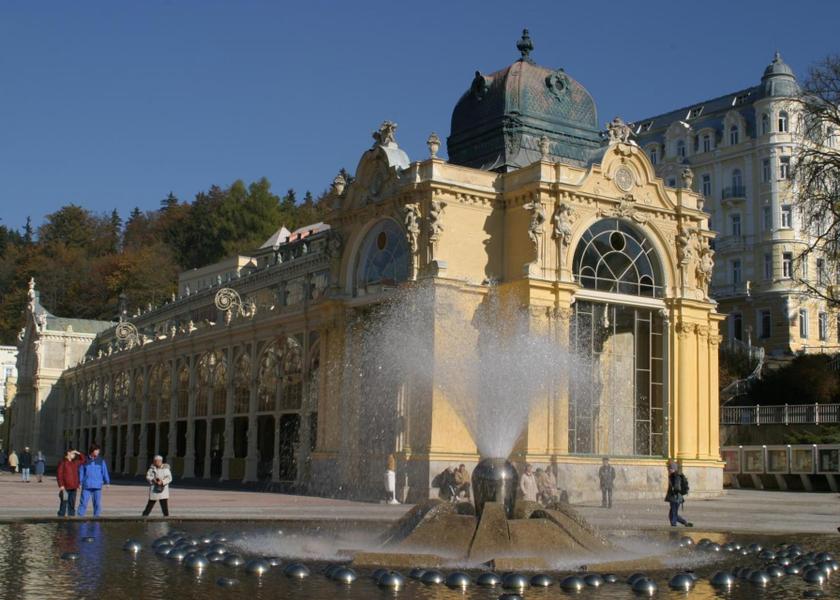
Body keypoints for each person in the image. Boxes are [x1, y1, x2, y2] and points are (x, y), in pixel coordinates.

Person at [77, 444, 110, 517]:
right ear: (92, 451)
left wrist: (107, 481)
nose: (98, 452)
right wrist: (79, 482)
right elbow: (81, 472)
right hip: (86, 486)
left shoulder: (101, 461)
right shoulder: (85, 460)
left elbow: (104, 471)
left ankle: (96, 519)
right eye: (96, 450)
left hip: (97, 486)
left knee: (97, 504)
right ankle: (80, 518)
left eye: (98, 450)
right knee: (83, 503)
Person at [57, 449, 85, 517]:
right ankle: (61, 518)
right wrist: (61, 485)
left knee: (72, 504)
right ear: (68, 453)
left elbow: (83, 460)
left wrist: (78, 453)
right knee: (64, 503)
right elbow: (59, 474)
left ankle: (71, 518)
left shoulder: (75, 462)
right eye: (73, 453)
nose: (74, 455)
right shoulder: (63, 462)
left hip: (73, 487)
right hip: (65, 488)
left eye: (75, 454)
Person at [665, 461, 693, 527]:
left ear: (674, 469)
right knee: (672, 514)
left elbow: (677, 487)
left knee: (673, 514)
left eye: (670, 468)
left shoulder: (675, 476)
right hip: (676, 498)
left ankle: (674, 527)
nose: (669, 470)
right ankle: (685, 523)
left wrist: (674, 490)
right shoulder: (674, 475)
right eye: (669, 468)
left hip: (675, 498)